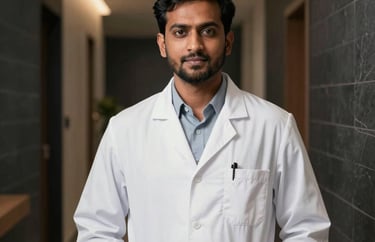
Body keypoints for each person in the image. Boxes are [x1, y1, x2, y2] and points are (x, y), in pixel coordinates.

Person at [74, 0, 331, 241]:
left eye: (208, 31)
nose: (194, 45)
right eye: (180, 32)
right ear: (162, 44)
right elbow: (97, 228)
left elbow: (306, 228)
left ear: (228, 42)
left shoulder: (274, 126)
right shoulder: (124, 129)